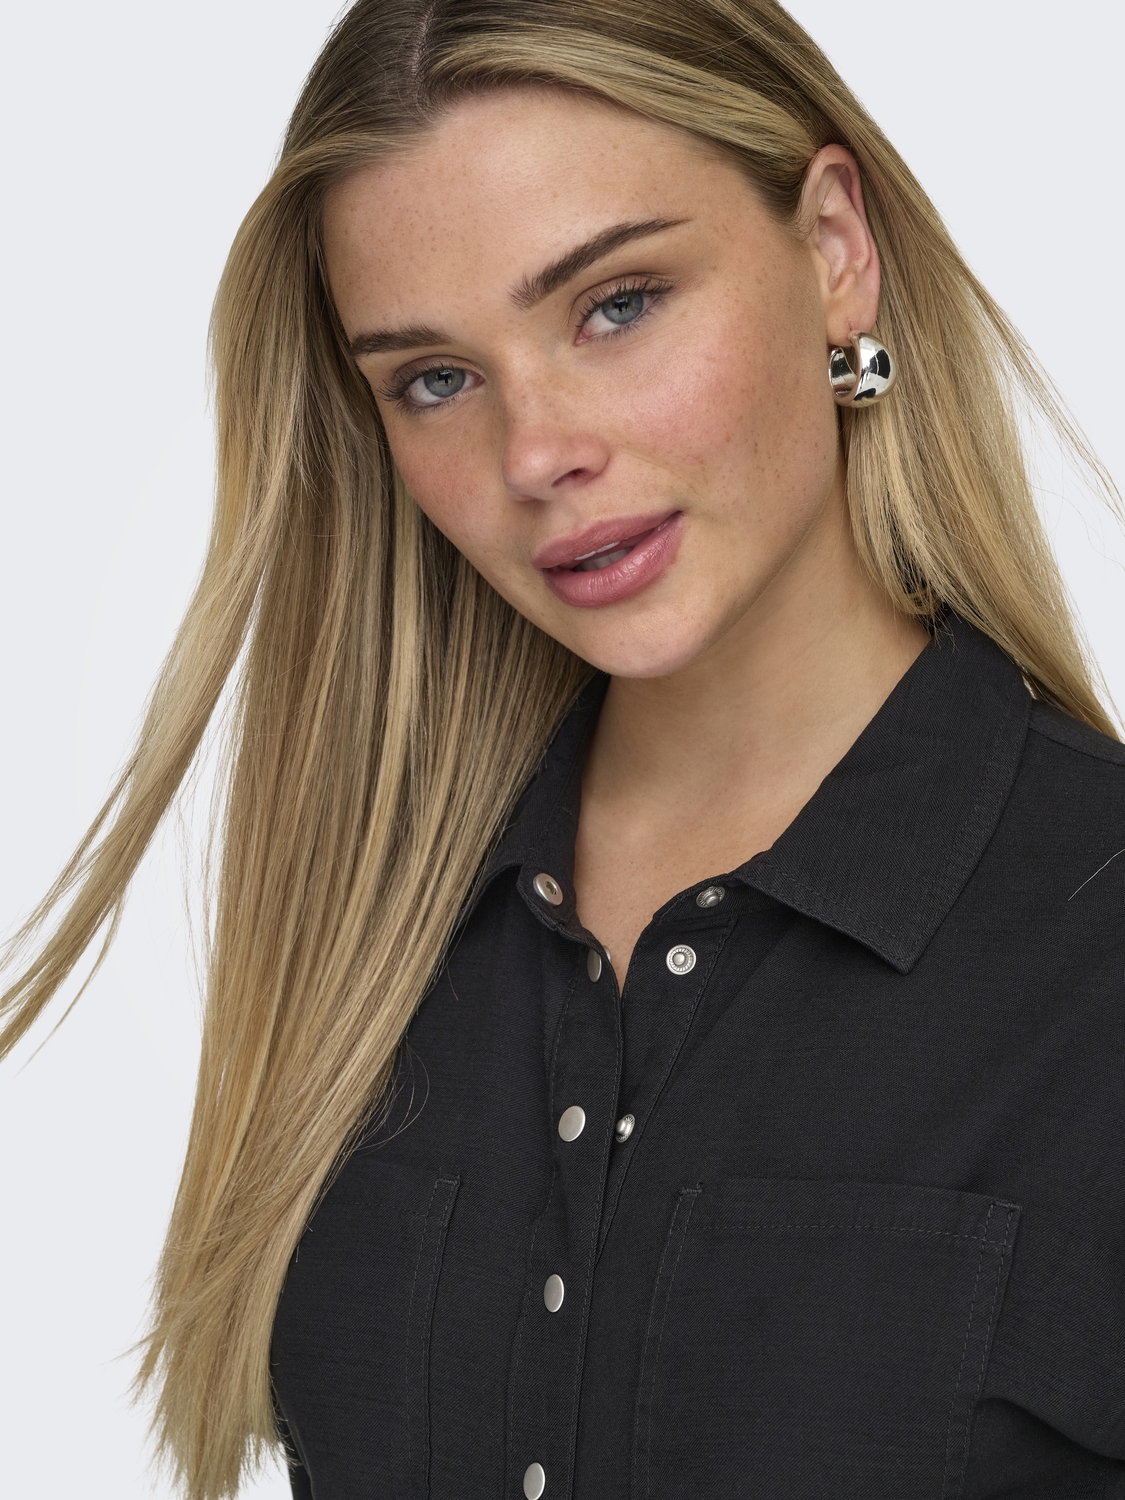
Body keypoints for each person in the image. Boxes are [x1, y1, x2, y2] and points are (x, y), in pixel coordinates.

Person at [4, 1, 1124, 1496]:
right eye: (434, 378)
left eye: (616, 303)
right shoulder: (374, 951)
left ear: (833, 248)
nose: (535, 454)